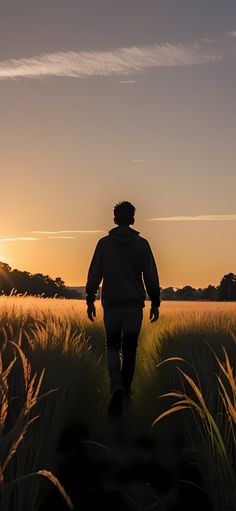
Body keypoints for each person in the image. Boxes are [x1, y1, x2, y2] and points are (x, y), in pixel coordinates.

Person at [85, 201, 160, 417]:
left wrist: (90, 298)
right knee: (130, 349)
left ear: (115, 219)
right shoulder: (142, 245)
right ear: (133, 220)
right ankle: (125, 392)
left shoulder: (104, 244)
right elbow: (151, 277)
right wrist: (155, 301)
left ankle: (116, 386)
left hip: (111, 304)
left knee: (112, 346)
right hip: (133, 305)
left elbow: (95, 273)